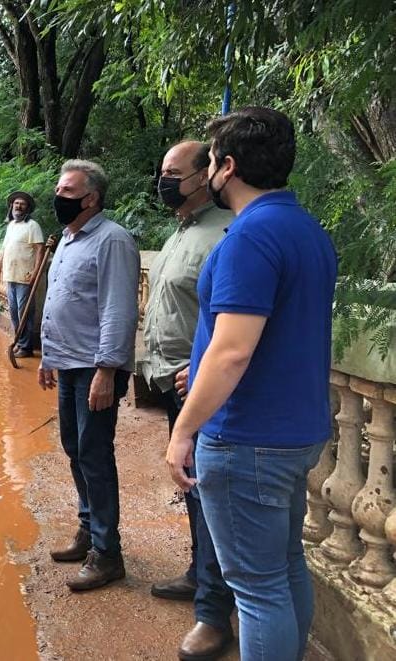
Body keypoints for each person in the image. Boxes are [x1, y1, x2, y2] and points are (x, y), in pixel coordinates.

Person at [166, 107, 337, 661]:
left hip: (247, 438)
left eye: (211, 162)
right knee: (284, 568)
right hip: (296, 432)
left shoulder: (249, 238)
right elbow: (268, 332)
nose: (210, 172)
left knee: (257, 590)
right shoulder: (307, 230)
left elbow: (235, 350)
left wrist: (184, 429)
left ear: (228, 167)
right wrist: (204, 358)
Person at [143, 141, 235, 659]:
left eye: (173, 172)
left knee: (208, 495)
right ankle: (201, 578)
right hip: (171, 383)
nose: (165, 180)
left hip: (201, 388)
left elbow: (233, 323)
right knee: (192, 491)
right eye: (163, 171)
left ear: (206, 175)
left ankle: (214, 614)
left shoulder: (225, 233)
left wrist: (195, 371)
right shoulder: (181, 232)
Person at [38, 159, 140, 591]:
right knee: (74, 448)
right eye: (59, 191)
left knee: (95, 456)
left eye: (66, 191)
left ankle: (107, 552)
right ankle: (89, 529)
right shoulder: (68, 238)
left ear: (91, 197)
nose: (58, 198)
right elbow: (60, 300)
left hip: (96, 368)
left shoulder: (112, 241)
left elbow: (118, 311)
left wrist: (106, 371)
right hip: (68, 363)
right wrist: (48, 356)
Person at [0, 191, 44, 357]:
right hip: (10, 275)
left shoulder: (32, 226)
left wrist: (36, 272)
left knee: (25, 312)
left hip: (25, 276)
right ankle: (19, 341)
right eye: (16, 204)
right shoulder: (12, 225)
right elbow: (7, 249)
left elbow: (40, 249)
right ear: (11, 206)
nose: (18, 206)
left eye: (22, 204)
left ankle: (26, 348)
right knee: (14, 312)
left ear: (27, 208)